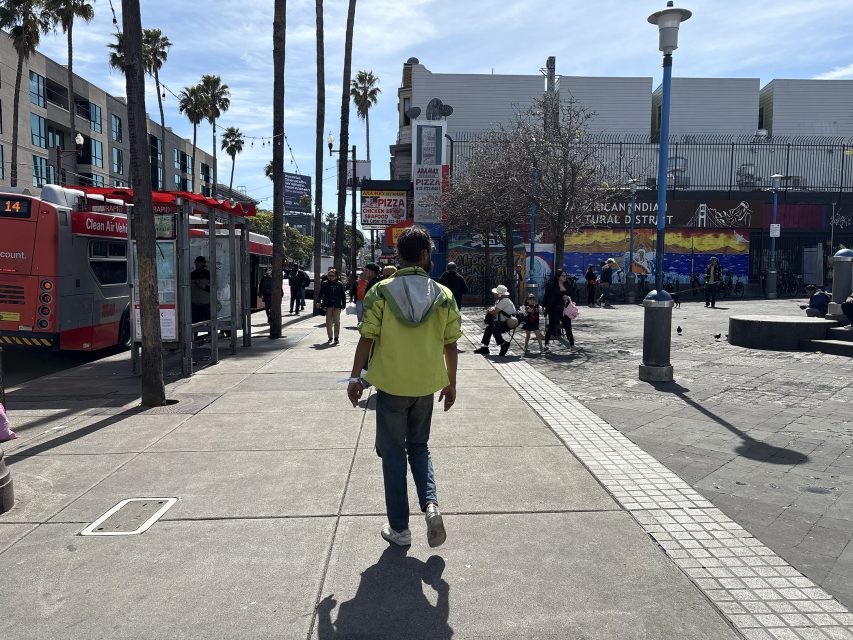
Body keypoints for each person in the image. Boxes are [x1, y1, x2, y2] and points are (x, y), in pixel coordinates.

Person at [347, 225, 461, 548]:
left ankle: (400, 528)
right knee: (420, 447)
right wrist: (451, 384)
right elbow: (451, 344)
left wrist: (356, 378)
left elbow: (366, 338)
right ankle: (432, 505)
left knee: (393, 453)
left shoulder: (380, 291)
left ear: (399, 255)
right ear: (426, 256)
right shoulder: (444, 295)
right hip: (426, 386)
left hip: (391, 386)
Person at [474, 284, 516, 357]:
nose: (494, 294)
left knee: (494, 330)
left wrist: (489, 310)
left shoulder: (505, 301)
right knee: (488, 329)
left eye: (495, 293)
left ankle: (504, 344)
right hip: (502, 322)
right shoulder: (500, 300)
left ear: (500, 295)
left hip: (507, 323)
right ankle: (485, 348)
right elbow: (495, 309)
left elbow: (494, 312)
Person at [542, 270, 575, 350]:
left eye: (565, 276)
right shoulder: (552, 285)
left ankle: (572, 345)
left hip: (565, 310)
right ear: (558, 276)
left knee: (568, 327)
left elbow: (571, 294)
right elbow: (547, 296)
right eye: (563, 276)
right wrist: (544, 306)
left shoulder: (567, 284)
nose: (565, 277)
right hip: (554, 309)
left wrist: (569, 299)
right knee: (551, 327)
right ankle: (546, 344)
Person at [319, 268, 347, 343]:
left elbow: (343, 295)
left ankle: (336, 337)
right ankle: (330, 337)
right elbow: (321, 293)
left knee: (337, 321)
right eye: (329, 275)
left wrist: (344, 304)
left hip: (337, 305)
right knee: (328, 322)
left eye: (332, 275)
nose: (330, 277)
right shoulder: (325, 283)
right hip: (328, 305)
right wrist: (318, 301)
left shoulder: (340, 284)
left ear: (336, 276)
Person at [190, 256, 211, 340]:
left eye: (199, 263)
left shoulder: (208, 273)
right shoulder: (192, 274)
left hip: (206, 302)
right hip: (195, 302)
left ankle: (210, 334)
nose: (197, 264)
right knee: (194, 320)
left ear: (203, 263)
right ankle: (194, 335)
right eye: (196, 263)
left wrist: (203, 286)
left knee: (208, 319)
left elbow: (212, 288)